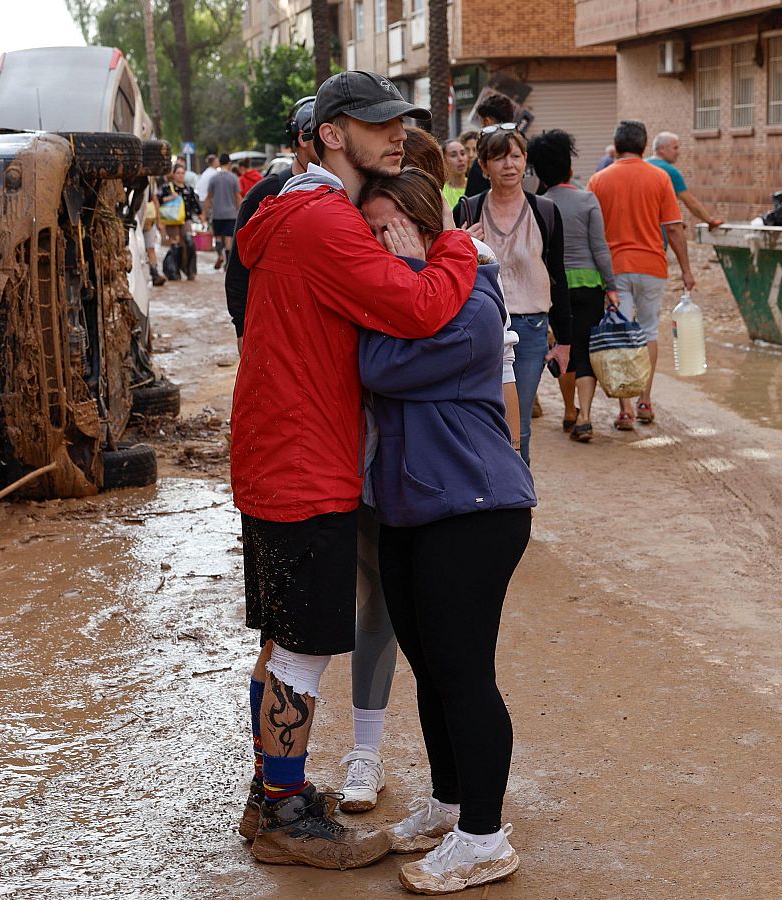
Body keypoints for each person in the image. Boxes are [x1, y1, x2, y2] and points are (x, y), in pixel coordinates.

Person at [231, 70, 480, 870]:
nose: (396, 134)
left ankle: (277, 792)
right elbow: (417, 309)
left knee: (282, 641)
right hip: (306, 459)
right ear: (332, 133)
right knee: (302, 649)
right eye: (378, 124)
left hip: (277, 451)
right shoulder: (326, 220)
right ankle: (282, 817)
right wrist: (453, 247)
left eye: (400, 121)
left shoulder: (289, 209)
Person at [355, 167, 536, 895]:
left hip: (476, 508)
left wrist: (403, 273)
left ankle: (486, 838)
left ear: (426, 229)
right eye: (368, 229)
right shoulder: (400, 296)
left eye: (391, 228)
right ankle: (450, 805)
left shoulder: (474, 302)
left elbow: (379, 364)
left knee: (464, 675)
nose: (378, 241)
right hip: (408, 506)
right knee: (433, 671)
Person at [455, 126, 569, 463]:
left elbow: (557, 276)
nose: (509, 164)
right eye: (500, 157)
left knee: (518, 422)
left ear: (526, 162)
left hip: (532, 330)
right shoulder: (468, 211)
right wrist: (460, 243)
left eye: (516, 156)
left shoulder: (545, 211)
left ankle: (519, 500)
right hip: (482, 327)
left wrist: (564, 340)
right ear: (484, 166)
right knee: (482, 416)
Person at [588, 119, 694, 429]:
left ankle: (626, 408)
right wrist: (686, 269)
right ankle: (645, 399)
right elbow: (673, 229)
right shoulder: (660, 178)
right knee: (647, 331)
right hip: (652, 266)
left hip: (614, 269)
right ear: (645, 147)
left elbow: (591, 230)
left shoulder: (598, 180)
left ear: (616, 146)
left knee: (622, 332)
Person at [529, 129, 615, 443]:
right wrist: (612, 286)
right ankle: (587, 417)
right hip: (590, 286)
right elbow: (600, 248)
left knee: (562, 346)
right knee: (583, 349)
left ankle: (569, 410)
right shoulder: (587, 199)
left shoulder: (537, 205)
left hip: (553, 289)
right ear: (569, 168)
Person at [227, 96, 317, 349]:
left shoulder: (348, 189)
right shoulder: (265, 194)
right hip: (275, 331)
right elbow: (239, 267)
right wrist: (242, 327)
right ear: (302, 137)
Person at [647, 132, 724, 233]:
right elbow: (690, 202)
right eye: (675, 148)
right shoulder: (670, 171)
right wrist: (710, 221)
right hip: (657, 233)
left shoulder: (643, 164)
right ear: (661, 149)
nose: (678, 152)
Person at [464, 93, 515, 195]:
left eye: (481, 123)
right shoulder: (528, 150)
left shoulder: (483, 160)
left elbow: (470, 202)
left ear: (487, 121)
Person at [157, 161, 199, 281]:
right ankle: (173, 271)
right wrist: (171, 197)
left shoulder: (189, 189)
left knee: (189, 242)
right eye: (178, 173)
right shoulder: (167, 188)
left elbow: (195, 205)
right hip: (172, 220)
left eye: (182, 173)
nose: (180, 175)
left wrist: (202, 217)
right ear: (174, 174)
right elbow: (157, 200)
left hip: (185, 220)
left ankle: (190, 270)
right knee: (175, 245)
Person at [206, 153, 242, 269]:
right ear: (229, 163)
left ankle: (219, 255)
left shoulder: (213, 178)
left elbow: (209, 197)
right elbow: (238, 196)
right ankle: (228, 262)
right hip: (231, 214)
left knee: (217, 237)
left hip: (217, 214)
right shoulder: (234, 178)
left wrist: (204, 212)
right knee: (228, 238)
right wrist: (240, 210)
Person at [442, 138, 469, 212]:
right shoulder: (440, 192)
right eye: (453, 155)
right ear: (444, 160)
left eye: (463, 153)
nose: (460, 159)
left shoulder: (477, 185)